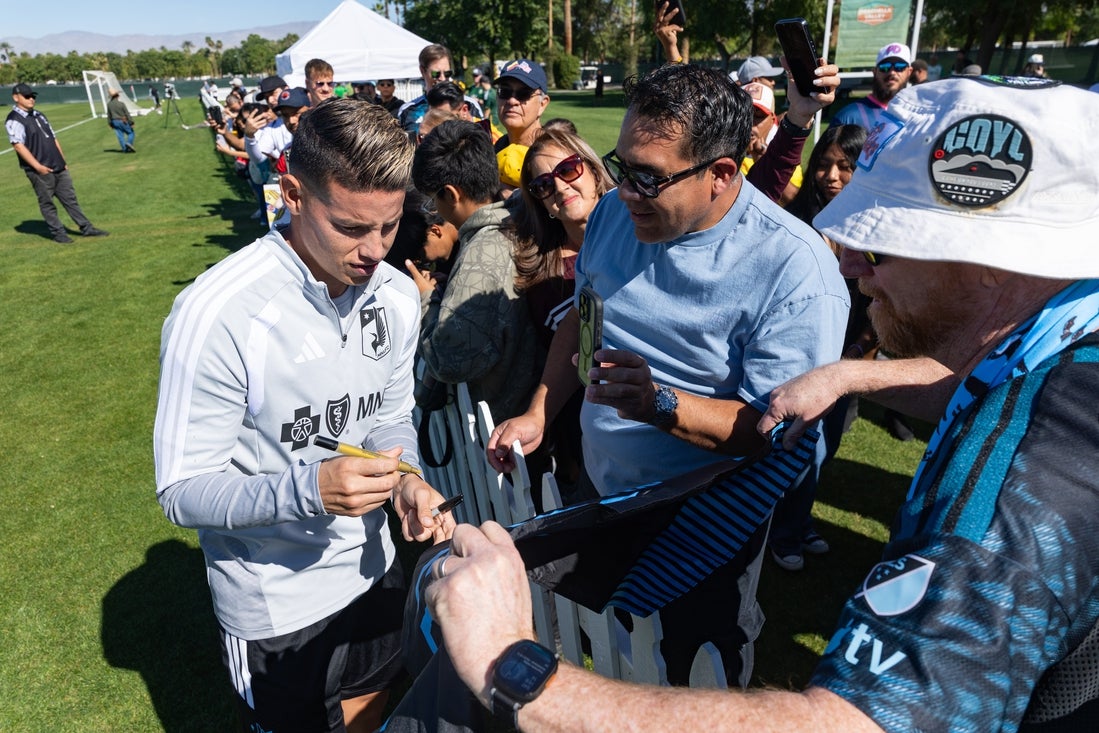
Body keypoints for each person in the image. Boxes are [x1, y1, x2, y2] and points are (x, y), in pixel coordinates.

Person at [426, 75, 1099, 733]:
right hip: (604, 483)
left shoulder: (1034, 469)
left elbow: (857, 720)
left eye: (878, 246)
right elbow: (986, 377)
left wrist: (511, 666)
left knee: (696, 650)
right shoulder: (1061, 339)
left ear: (993, 259)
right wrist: (848, 377)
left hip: (696, 514)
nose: (850, 267)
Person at [486, 63, 848, 685]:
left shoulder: (796, 270)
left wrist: (660, 403)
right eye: (622, 167)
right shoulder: (611, 216)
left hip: (702, 523)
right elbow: (585, 317)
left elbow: (776, 430)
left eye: (649, 178)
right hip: (602, 490)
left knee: (696, 673)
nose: (625, 193)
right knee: (620, 652)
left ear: (721, 174)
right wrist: (542, 409)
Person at [154, 99, 455, 733]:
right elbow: (182, 491)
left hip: (375, 568)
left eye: (390, 225)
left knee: (374, 710)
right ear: (291, 194)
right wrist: (310, 490)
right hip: (276, 603)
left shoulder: (397, 294)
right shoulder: (218, 313)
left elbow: (390, 417)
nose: (374, 251)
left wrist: (404, 479)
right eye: (350, 227)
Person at [504, 127, 615, 490]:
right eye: (543, 185)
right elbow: (573, 337)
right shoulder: (545, 275)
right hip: (588, 429)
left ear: (594, 172)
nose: (560, 186)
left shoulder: (639, 233)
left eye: (568, 169)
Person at [409, 119, 538, 421]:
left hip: (500, 422)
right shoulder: (517, 218)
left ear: (451, 194)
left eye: (432, 200)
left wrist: (427, 299)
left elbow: (449, 360)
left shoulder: (480, 254)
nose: (434, 209)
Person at [6, 83, 109, 244]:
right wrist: (38, 167)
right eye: (27, 96)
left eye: (33, 96)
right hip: (40, 170)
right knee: (47, 202)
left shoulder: (39, 115)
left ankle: (86, 228)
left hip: (58, 166)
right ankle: (58, 233)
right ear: (16, 98)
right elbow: (18, 146)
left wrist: (62, 160)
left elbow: (53, 138)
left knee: (70, 199)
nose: (31, 99)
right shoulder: (14, 119)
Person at [398, 45, 484, 135]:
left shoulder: (470, 105)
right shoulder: (408, 111)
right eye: (436, 74)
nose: (442, 78)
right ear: (422, 71)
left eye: (447, 73)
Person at [741, 82, 801, 205]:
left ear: (772, 120)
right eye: (743, 115)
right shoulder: (716, 152)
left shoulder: (783, 156)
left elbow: (794, 204)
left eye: (758, 116)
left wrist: (767, 166)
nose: (749, 123)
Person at [831, 42, 912, 129]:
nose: (892, 72)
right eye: (885, 67)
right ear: (875, 72)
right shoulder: (849, 117)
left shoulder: (915, 116)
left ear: (909, 72)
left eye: (900, 66)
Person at [493, 59, 550, 154]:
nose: (512, 101)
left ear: (542, 104)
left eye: (524, 94)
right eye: (505, 91)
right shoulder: (498, 148)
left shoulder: (553, 155)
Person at [106, 88, 135, 153]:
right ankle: (129, 143)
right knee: (131, 133)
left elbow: (109, 115)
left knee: (120, 136)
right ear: (117, 96)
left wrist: (110, 123)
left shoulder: (109, 104)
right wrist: (131, 122)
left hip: (114, 121)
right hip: (123, 121)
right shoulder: (121, 104)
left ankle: (125, 149)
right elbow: (127, 113)